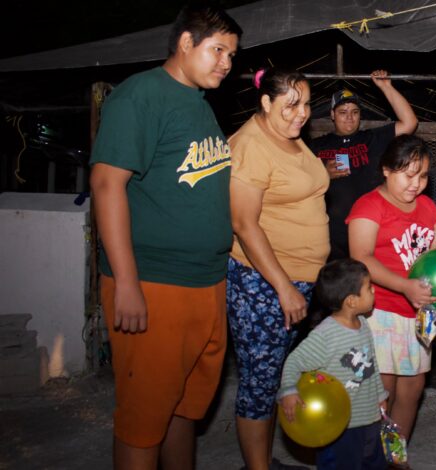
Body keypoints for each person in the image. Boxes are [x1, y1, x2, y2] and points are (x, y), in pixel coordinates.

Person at [89, 5, 241, 469]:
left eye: (232, 55)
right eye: (218, 50)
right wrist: (128, 284)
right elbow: (106, 184)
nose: (226, 63)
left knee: (185, 408)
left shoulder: (198, 105)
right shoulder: (141, 96)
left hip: (206, 282)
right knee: (144, 417)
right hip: (155, 283)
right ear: (185, 44)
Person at [227, 68, 328, 470]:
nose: (301, 113)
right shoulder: (251, 144)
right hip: (263, 283)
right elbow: (244, 224)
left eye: (305, 104)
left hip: (293, 280)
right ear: (266, 103)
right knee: (257, 383)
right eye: (291, 105)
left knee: (270, 377)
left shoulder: (288, 138)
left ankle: (263, 460)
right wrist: (284, 287)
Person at [347, 134, 436, 442]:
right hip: (381, 312)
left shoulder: (428, 207)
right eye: (408, 174)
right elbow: (361, 258)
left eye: (423, 175)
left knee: (412, 391)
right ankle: (370, 457)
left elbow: (434, 256)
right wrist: (405, 286)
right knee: (380, 393)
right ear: (387, 169)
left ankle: (395, 458)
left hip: (418, 316)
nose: (415, 183)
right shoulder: (369, 205)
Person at [278, 258, 388, 470]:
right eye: (369, 288)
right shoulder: (326, 335)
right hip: (341, 424)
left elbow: (370, 365)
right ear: (351, 301)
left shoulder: (363, 324)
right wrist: (289, 391)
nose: (374, 292)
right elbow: (293, 362)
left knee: (373, 463)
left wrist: (380, 395)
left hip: (368, 417)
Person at [309, 70, 418, 262]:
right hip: (330, 233)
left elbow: (410, 122)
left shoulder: (372, 139)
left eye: (354, 112)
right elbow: (300, 182)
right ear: (332, 115)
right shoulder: (316, 145)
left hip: (371, 228)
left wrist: (386, 86)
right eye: (343, 112)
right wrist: (322, 173)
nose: (349, 117)